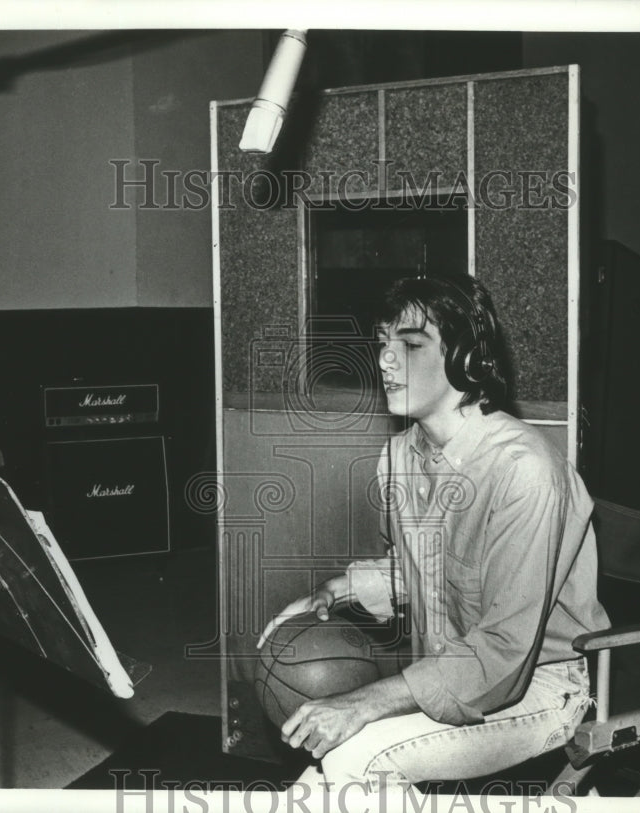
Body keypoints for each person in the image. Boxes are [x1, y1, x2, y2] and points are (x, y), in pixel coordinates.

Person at [257, 275, 610, 793]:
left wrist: (365, 701)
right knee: (308, 792)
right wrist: (338, 591)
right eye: (382, 343)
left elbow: (503, 650)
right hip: (454, 674)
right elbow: (427, 569)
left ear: (466, 359)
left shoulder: (525, 471)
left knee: (353, 762)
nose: (385, 360)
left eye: (411, 345)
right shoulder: (398, 458)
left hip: (538, 687)